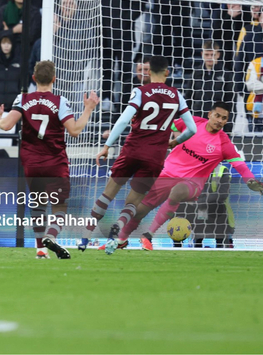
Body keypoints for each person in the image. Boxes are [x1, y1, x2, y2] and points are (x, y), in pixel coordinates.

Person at [105, 102, 263, 253]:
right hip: (167, 174)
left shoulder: (224, 143)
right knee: (140, 210)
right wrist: (171, 138)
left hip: (192, 184)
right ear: (210, 114)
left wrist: (250, 180)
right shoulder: (193, 123)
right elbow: (169, 125)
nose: (220, 121)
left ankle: (148, 236)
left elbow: (240, 165)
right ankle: (120, 240)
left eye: (224, 118)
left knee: (177, 191)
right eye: (217, 116)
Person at [77, 56, 196, 251]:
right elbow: (191, 129)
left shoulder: (140, 91)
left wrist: (107, 146)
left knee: (107, 194)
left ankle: (84, 239)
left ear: (148, 73)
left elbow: (124, 121)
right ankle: (117, 230)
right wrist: (174, 142)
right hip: (154, 157)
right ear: (167, 72)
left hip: (132, 150)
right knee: (132, 203)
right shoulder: (177, 95)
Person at [0, 60, 99, 259]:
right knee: (59, 205)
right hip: (55, 162)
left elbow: (5, 125)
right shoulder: (60, 101)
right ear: (54, 79)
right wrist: (88, 109)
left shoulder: (22, 99)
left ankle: (40, 249)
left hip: (31, 163)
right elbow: (74, 130)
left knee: (38, 204)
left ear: (33, 78)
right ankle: (51, 236)